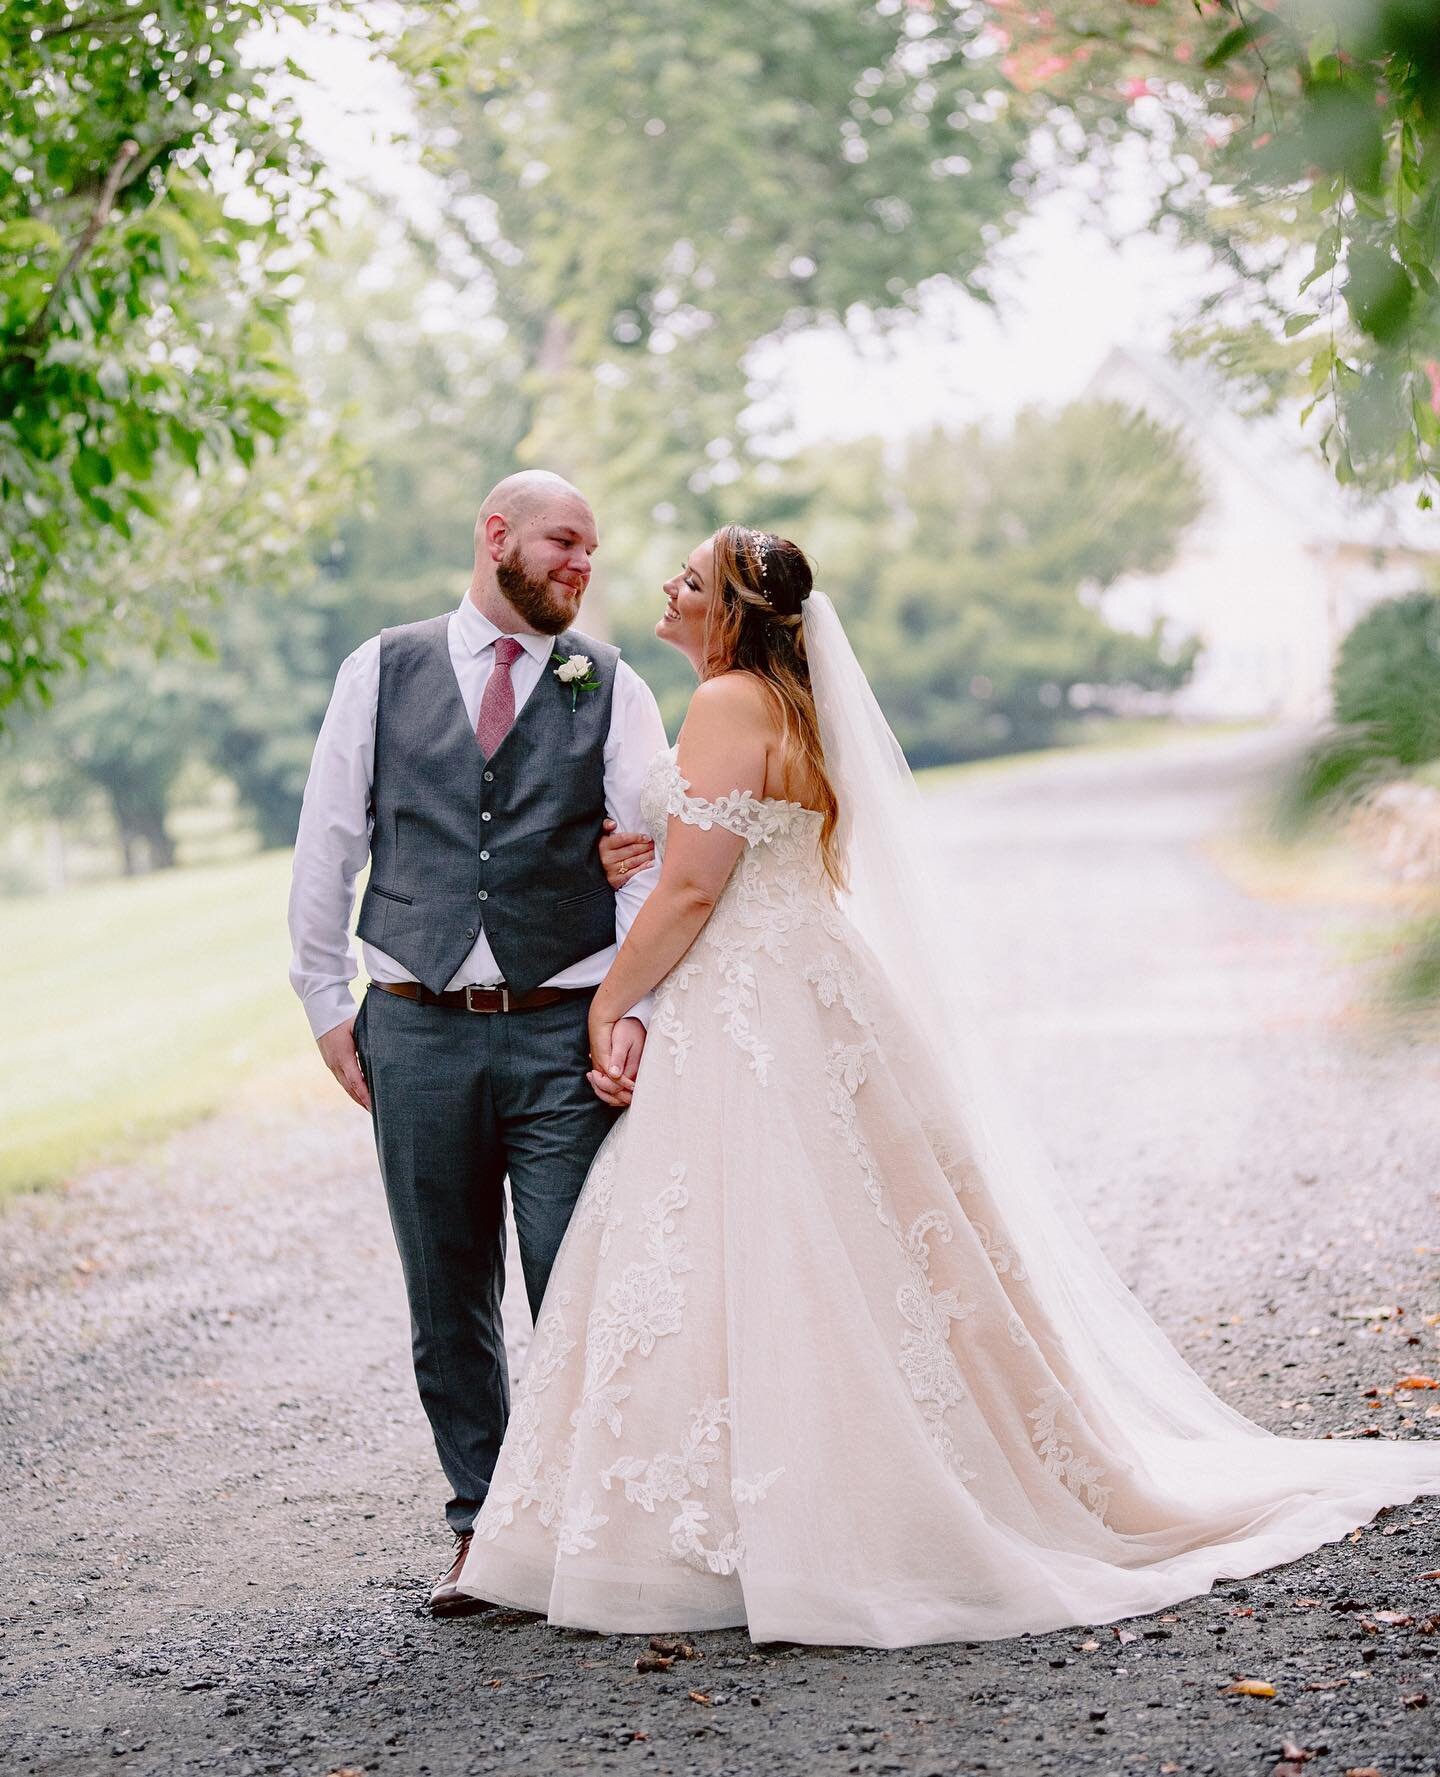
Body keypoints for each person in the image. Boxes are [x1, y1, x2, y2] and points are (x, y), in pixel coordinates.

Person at [455, 522, 1440, 1648]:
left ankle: (762, 1524)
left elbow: (691, 893)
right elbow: (712, 850)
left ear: (729, 610)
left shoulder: (728, 703)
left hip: (749, 1003)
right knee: (852, 1242)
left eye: (690, 578)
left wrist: (606, 1000)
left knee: (764, 1241)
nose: (667, 588)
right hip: (806, 986)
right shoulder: (789, 707)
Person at [287, 470, 667, 1615]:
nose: (581, 565)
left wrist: (633, 1009)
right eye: (564, 541)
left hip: (564, 1031)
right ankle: (485, 1532)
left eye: (592, 550)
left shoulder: (609, 682)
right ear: (494, 535)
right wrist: (324, 1004)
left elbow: (648, 860)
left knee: (574, 1277)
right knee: (447, 1295)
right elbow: (329, 839)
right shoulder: (382, 667)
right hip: (416, 1026)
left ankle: (595, 1524)